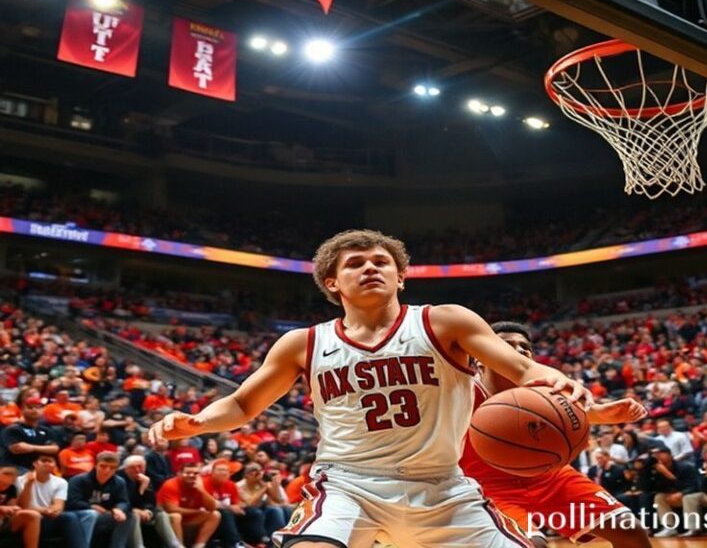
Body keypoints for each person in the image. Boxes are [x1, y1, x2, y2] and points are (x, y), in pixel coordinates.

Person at [149, 229, 592, 548]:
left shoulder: (445, 321)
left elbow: (519, 367)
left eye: (381, 262)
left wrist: (554, 379)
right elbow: (245, 403)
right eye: (355, 264)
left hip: (442, 486)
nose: (370, 268)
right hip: (348, 485)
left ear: (401, 277)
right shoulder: (303, 344)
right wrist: (197, 422)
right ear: (332, 283)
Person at [460, 321, 651, 548]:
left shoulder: (544, 388)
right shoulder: (460, 392)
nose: (519, 350)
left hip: (551, 476)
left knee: (630, 530)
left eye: (525, 347)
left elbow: (570, 416)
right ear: (482, 356)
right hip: (489, 487)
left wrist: (602, 414)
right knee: (532, 545)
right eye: (508, 344)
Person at [65, 451, 135, 548]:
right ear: (95, 465)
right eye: (103, 466)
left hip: (104, 516)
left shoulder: (119, 482)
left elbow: (123, 501)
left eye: (112, 468)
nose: (107, 470)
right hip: (80, 517)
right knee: (92, 514)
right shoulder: (78, 480)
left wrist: (119, 509)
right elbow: (72, 502)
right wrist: (90, 507)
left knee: (129, 516)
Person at [15, 452, 82, 544]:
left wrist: (54, 510)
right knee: (33, 516)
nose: (47, 463)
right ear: (35, 464)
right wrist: (29, 484)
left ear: (54, 465)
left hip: (48, 518)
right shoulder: (20, 480)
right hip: (28, 519)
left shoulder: (61, 482)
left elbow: (59, 505)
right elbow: (22, 506)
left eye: (50, 461)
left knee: (70, 516)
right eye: (43, 461)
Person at [119, 455, 181, 548]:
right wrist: (135, 509)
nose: (137, 470)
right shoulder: (120, 480)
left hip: (142, 512)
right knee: (134, 516)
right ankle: (138, 546)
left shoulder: (146, 478)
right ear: (125, 469)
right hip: (126, 513)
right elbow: (123, 501)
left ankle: (175, 545)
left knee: (162, 515)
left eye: (140, 466)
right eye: (132, 467)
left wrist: (147, 509)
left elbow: (151, 502)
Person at [156, 461, 221, 548]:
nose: (192, 475)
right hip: (166, 520)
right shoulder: (171, 484)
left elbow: (212, 507)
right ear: (179, 473)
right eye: (187, 473)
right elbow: (171, 509)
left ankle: (199, 546)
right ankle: (179, 546)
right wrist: (197, 511)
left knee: (215, 515)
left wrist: (202, 491)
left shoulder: (202, 484)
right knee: (176, 516)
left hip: (189, 520)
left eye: (195, 473)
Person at [644, 444, 698, 537]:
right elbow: (649, 488)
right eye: (654, 454)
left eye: (660, 453)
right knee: (659, 497)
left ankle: (692, 528)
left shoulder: (685, 467)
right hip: (672, 497)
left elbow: (694, 486)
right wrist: (645, 471)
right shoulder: (655, 470)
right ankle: (669, 527)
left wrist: (681, 493)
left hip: (687, 495)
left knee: (688, 498)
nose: (657, 456)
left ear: (670, 455)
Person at [0, 396, 59, 470]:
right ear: (22, 410)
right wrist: (44, 448)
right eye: (30, 408)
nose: (34, 410)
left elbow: (54, 449)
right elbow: (17, 449)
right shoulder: (12, 429)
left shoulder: (46, 430)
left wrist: (31, 447)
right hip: (15, 467)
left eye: (38, 408)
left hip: (38, 467)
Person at [0, 462, 40, 548]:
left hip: (4, 520)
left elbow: (11, 507)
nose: (2, 487)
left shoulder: (11, 489)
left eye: (5, 485)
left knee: (32, 515)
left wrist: (13, 508)